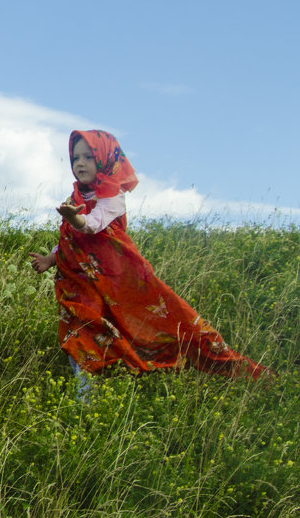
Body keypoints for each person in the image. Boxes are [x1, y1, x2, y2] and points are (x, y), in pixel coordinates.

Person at [29, 129, 270, 384]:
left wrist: (74, 218)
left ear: (105, 159)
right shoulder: (74, 198)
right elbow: (71, 240)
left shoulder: (112, 196)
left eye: (88, 157)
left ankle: (137, 373)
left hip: (116, 281)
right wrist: (50, 259)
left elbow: (92, 225)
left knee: (143, 326)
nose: (79, 163)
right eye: (75, 157)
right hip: (81, 284)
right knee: (79, 329)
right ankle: (86, 395)